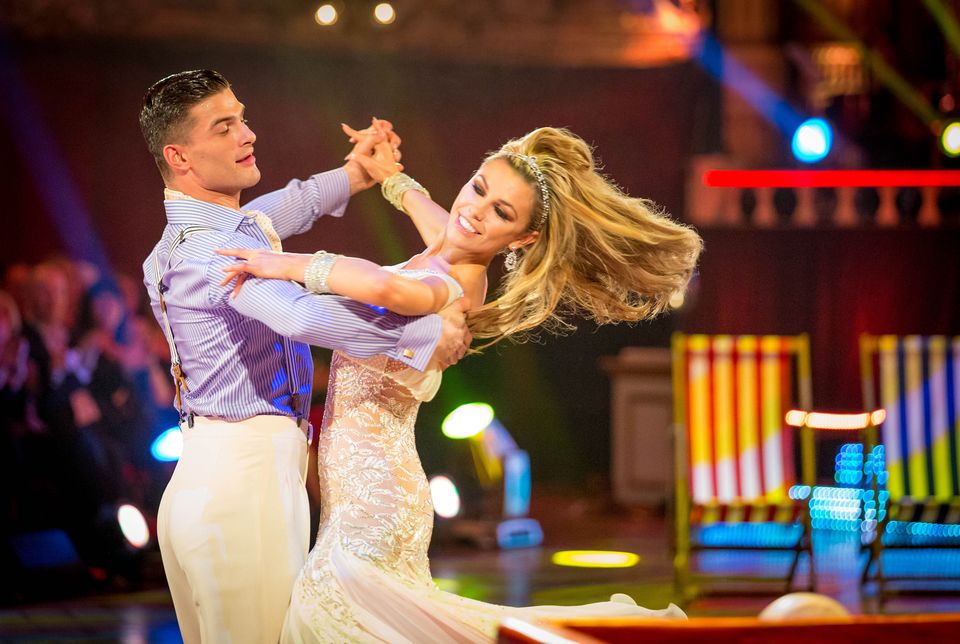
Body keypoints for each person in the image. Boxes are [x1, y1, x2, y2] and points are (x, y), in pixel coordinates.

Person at [218, 124, 702, 642]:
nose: (474, 211)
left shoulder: (454, 283)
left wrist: (282, 265)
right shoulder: (450, 246)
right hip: (368, 490)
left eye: (502, 212)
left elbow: (386, 287)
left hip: (375, 496)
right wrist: (390, 177)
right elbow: (440, 217)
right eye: (478, 187)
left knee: (327, 617)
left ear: (523, 238)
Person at [138, 70, 471, 644]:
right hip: (242, 487)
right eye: (224, 127)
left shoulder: (206, 234)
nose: (248, 134)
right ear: (180, 156)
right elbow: (302, 317)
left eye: (242, 118)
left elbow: (288, 207)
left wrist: (360, 172)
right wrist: (420, 332)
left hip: (219, 478)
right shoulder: (213, 251)